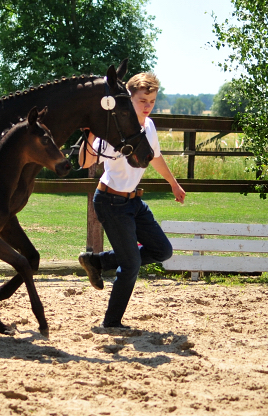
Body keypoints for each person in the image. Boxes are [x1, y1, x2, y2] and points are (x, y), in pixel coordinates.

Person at [78, 72, 186, 329]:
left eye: (152, 100)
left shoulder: (148, 126)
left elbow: (155, 157)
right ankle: (112, 322)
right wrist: (91, 135)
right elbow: (84, 162)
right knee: (131, 264)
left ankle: (98, 261)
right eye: (142, 101)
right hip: (110, 201)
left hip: (134, 202)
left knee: (163, 250)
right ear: (129, 99)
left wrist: (173, 183)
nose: (147, 106)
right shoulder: (113, 128)